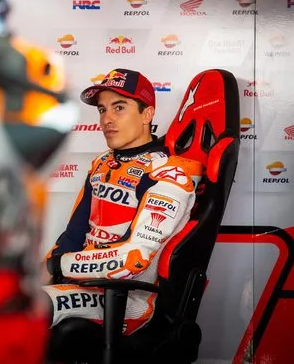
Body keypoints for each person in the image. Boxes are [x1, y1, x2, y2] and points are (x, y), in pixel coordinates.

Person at [43, 68, 203, 335]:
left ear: (147, 114)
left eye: (119, 107)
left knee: (26, 311)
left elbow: (133, 259)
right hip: (82, 284)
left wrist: (57, 266)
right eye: (102, 110)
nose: (107, 119)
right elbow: (73, 235)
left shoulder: (170, 173)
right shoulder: (102, 163)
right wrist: (43, 269)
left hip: (128, 298)